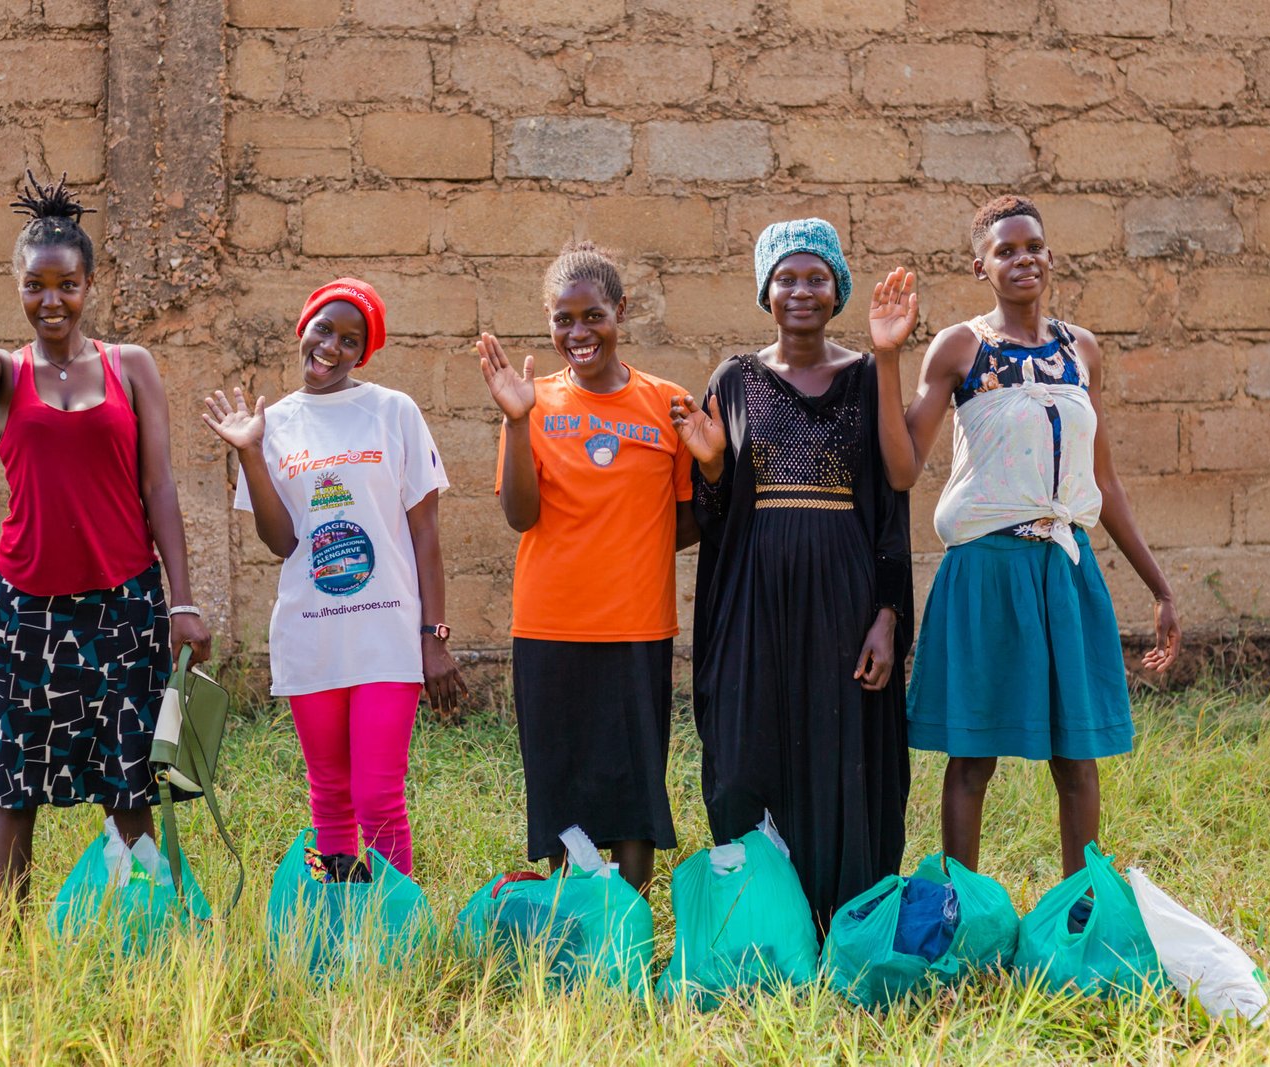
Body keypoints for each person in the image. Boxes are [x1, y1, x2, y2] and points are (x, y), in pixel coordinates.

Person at [0, 163, 211, 906]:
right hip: (24, 610)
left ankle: (139, 926)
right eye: (35, 286)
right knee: (12, 784)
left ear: (88, 285)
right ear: (19, 287)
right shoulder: (7, 374)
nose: (50, 300)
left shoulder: (132, 367)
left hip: (123, 607)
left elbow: (159, 487)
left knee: (129, 780)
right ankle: (10, 940)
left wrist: (182, 601)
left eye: (66, 285)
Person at [869, 194, 1181, 877]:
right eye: (1005, 250)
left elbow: (1104, 482)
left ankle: (1079, 909)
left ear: (1050, 255)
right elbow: (902, 467)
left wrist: (1159, 588)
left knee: (1077, 757)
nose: (1023, 259)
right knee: (972, 757)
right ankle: (962, 905)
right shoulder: (961, 347)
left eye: (1033, 246)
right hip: (986, 568)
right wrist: (887, 356)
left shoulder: (1082, 350)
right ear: (979, 266)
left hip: (1064, 571)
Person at [671, 218, 913, 932]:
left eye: (816, 277)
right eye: (786, 278)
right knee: (747, 748)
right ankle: (761, 921)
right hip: (752, 602)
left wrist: (888, 615)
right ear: (765, 291)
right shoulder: (734, 379)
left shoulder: (866, 377)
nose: (801, 290)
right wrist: (713, 464)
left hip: (844, 603)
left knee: (843, 755)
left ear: (838, 289)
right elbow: (714, 517)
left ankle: (842, 920)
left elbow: (891, 503)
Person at [204, 278, 462, 881]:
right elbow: (282, 543)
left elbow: (425, 531)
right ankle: (340, 918)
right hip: (311, 634)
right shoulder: (273, 424)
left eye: (350, 340)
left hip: (387, 637)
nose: (331, 347)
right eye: (324, 329)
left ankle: (393, 923)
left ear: (362, 354)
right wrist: (249, 452)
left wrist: (434, 636)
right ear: (304, 328)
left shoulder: (394, 411)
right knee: (329, 797)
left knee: (378, 796)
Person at [479, 241, 695, 896]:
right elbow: (521, 515)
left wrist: (628, 542)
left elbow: (688, 520)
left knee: (634, 788)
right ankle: (575, 916)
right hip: (550, 627)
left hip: (636, 625)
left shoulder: (666, 404)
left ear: (620, 311)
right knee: (563, 785)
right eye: (563, 319)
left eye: (593, 315)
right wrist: (518, 423)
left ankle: (628, 922)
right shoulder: (533, 403)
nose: (579, 332)